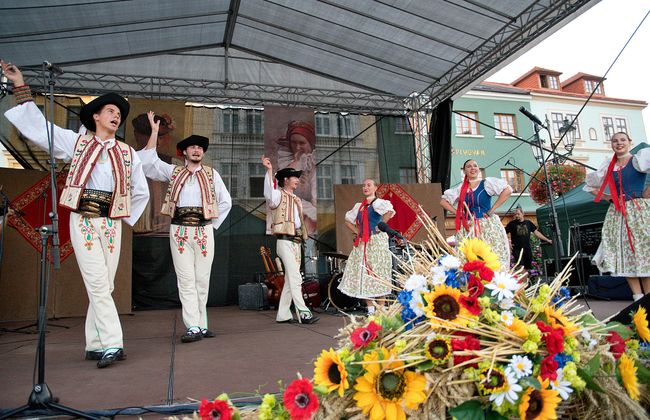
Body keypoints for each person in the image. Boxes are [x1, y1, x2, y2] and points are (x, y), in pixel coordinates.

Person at [1, 60, 150, 368]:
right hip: (81, 218)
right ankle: (112, 343)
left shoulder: (127, 153)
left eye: (119, 114)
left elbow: (141, 191)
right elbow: (41, 131)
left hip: (110, 222)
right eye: (110, 111)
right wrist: (20, 86)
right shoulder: (76, 143)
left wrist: (123, 217)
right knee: (97, 282)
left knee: (105, 285)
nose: (116, 116)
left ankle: (94, 343)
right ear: (95, 116)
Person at [138, 112, 232, 342]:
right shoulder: (174, 172)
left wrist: (211, 225)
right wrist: (153, 131)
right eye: (192, 148)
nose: (196, 150)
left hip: (203, 230)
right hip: (179, 230)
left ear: (203, 152)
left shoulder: (212, 174)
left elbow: (225, 201)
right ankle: (192, 326)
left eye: (200, 148)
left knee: (202, 279)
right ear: (185, 152)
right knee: (186, 279)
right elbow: (148, 162)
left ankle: (201, 324)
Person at [584, 132, 650, 301]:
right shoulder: (608, 166)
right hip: (618, 214)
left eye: (622, 140)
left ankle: (648, 299)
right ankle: (637, 298)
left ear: (629, 142)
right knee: (623, 253)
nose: (619, 143)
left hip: (638, 210)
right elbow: (590, 185)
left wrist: (646, 193)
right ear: (611, 144)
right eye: (615, 141)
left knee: (642, 252)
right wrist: (606, 196)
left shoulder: (638, 159)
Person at [261, 155, 319, 324]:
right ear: (286, 180)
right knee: (295, 277)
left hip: (295, 242)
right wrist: (269, 170)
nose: (297, 181)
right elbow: (268, 195)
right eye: (295, 178)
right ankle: (303, 312)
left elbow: (300, 221)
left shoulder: (297, 200)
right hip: (284, 241)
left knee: (290, 279)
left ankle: (283, 314)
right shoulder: (278, 195)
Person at [440, 159, 512, 268]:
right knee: (469, 258)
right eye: (469, 166)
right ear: (464, 171)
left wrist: (492, 209)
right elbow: (443, 202)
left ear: (478, 169)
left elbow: (507, 190)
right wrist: (458, 214)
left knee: (491, 254)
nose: (472, 168)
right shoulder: (461, 188)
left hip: (487, 225)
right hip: (468, 227)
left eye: (475, 166)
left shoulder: (486, 183)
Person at [338, 179, 395, 314]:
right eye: (364, 185)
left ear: (375, 188)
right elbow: (347, 221)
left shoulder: (379, 203)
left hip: (376, 242)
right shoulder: (360, 206)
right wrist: (357, 231)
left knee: (379, 273)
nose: (365, 187)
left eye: (369, 185)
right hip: (363, 243)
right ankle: (370, 310)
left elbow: (390, 212)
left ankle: (381, 309)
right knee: (365, 274)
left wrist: (380, 227)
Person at [276, 121, 317, 234]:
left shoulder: (314, 163)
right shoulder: (287, 162)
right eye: (294, 143)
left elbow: (315, 198)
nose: (297, 147)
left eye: (302, 143)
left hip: (308, 210)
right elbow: (280, 190)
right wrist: (296, 162)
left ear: (310, 143)